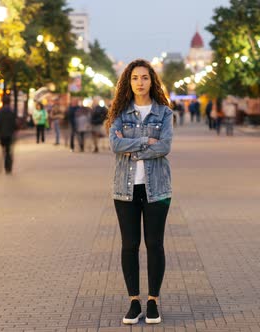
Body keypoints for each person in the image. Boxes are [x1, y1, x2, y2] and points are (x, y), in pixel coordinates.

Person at [106, 59, 173, 325]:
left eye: (145, 77)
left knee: (154, 245)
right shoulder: (119, 112)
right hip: (125, 188)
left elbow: (165, 146)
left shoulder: (164, 113)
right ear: (128, 81)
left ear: (152, 81)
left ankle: (153, 301)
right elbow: (114, 144)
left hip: (158, 189)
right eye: (135, 78)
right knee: (129, 245)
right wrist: (146, 141)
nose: (140, 82)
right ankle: (134, 301)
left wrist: (129, 144)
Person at [0, 95, 17, 174]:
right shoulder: (11, 111)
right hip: (10, 134)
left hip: (2, 134)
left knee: (4, 150)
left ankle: (6, 165)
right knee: (9, 150)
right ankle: (8, 167)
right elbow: (15, 123)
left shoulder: (1, 111)